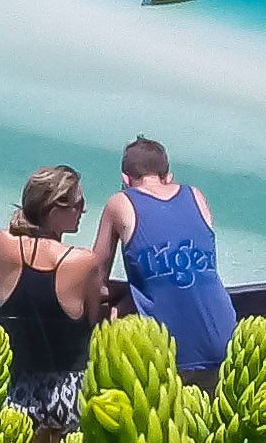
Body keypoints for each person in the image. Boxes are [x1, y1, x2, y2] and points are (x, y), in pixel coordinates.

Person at [85, 136, 238, 391]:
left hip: (164, 350)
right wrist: (133, 291)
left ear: (125, 179)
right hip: (222, 340)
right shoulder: (196, 196)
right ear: (168, 176)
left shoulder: (119, 203)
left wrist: (128, 294)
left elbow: (95, 280)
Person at [0, 165, 97, 443]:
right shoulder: (82, 261)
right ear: (55, 209)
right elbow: (92, 318)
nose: (84, 210)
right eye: (78, 203)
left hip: (20, 392)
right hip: (70, 394)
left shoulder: (4, 244)